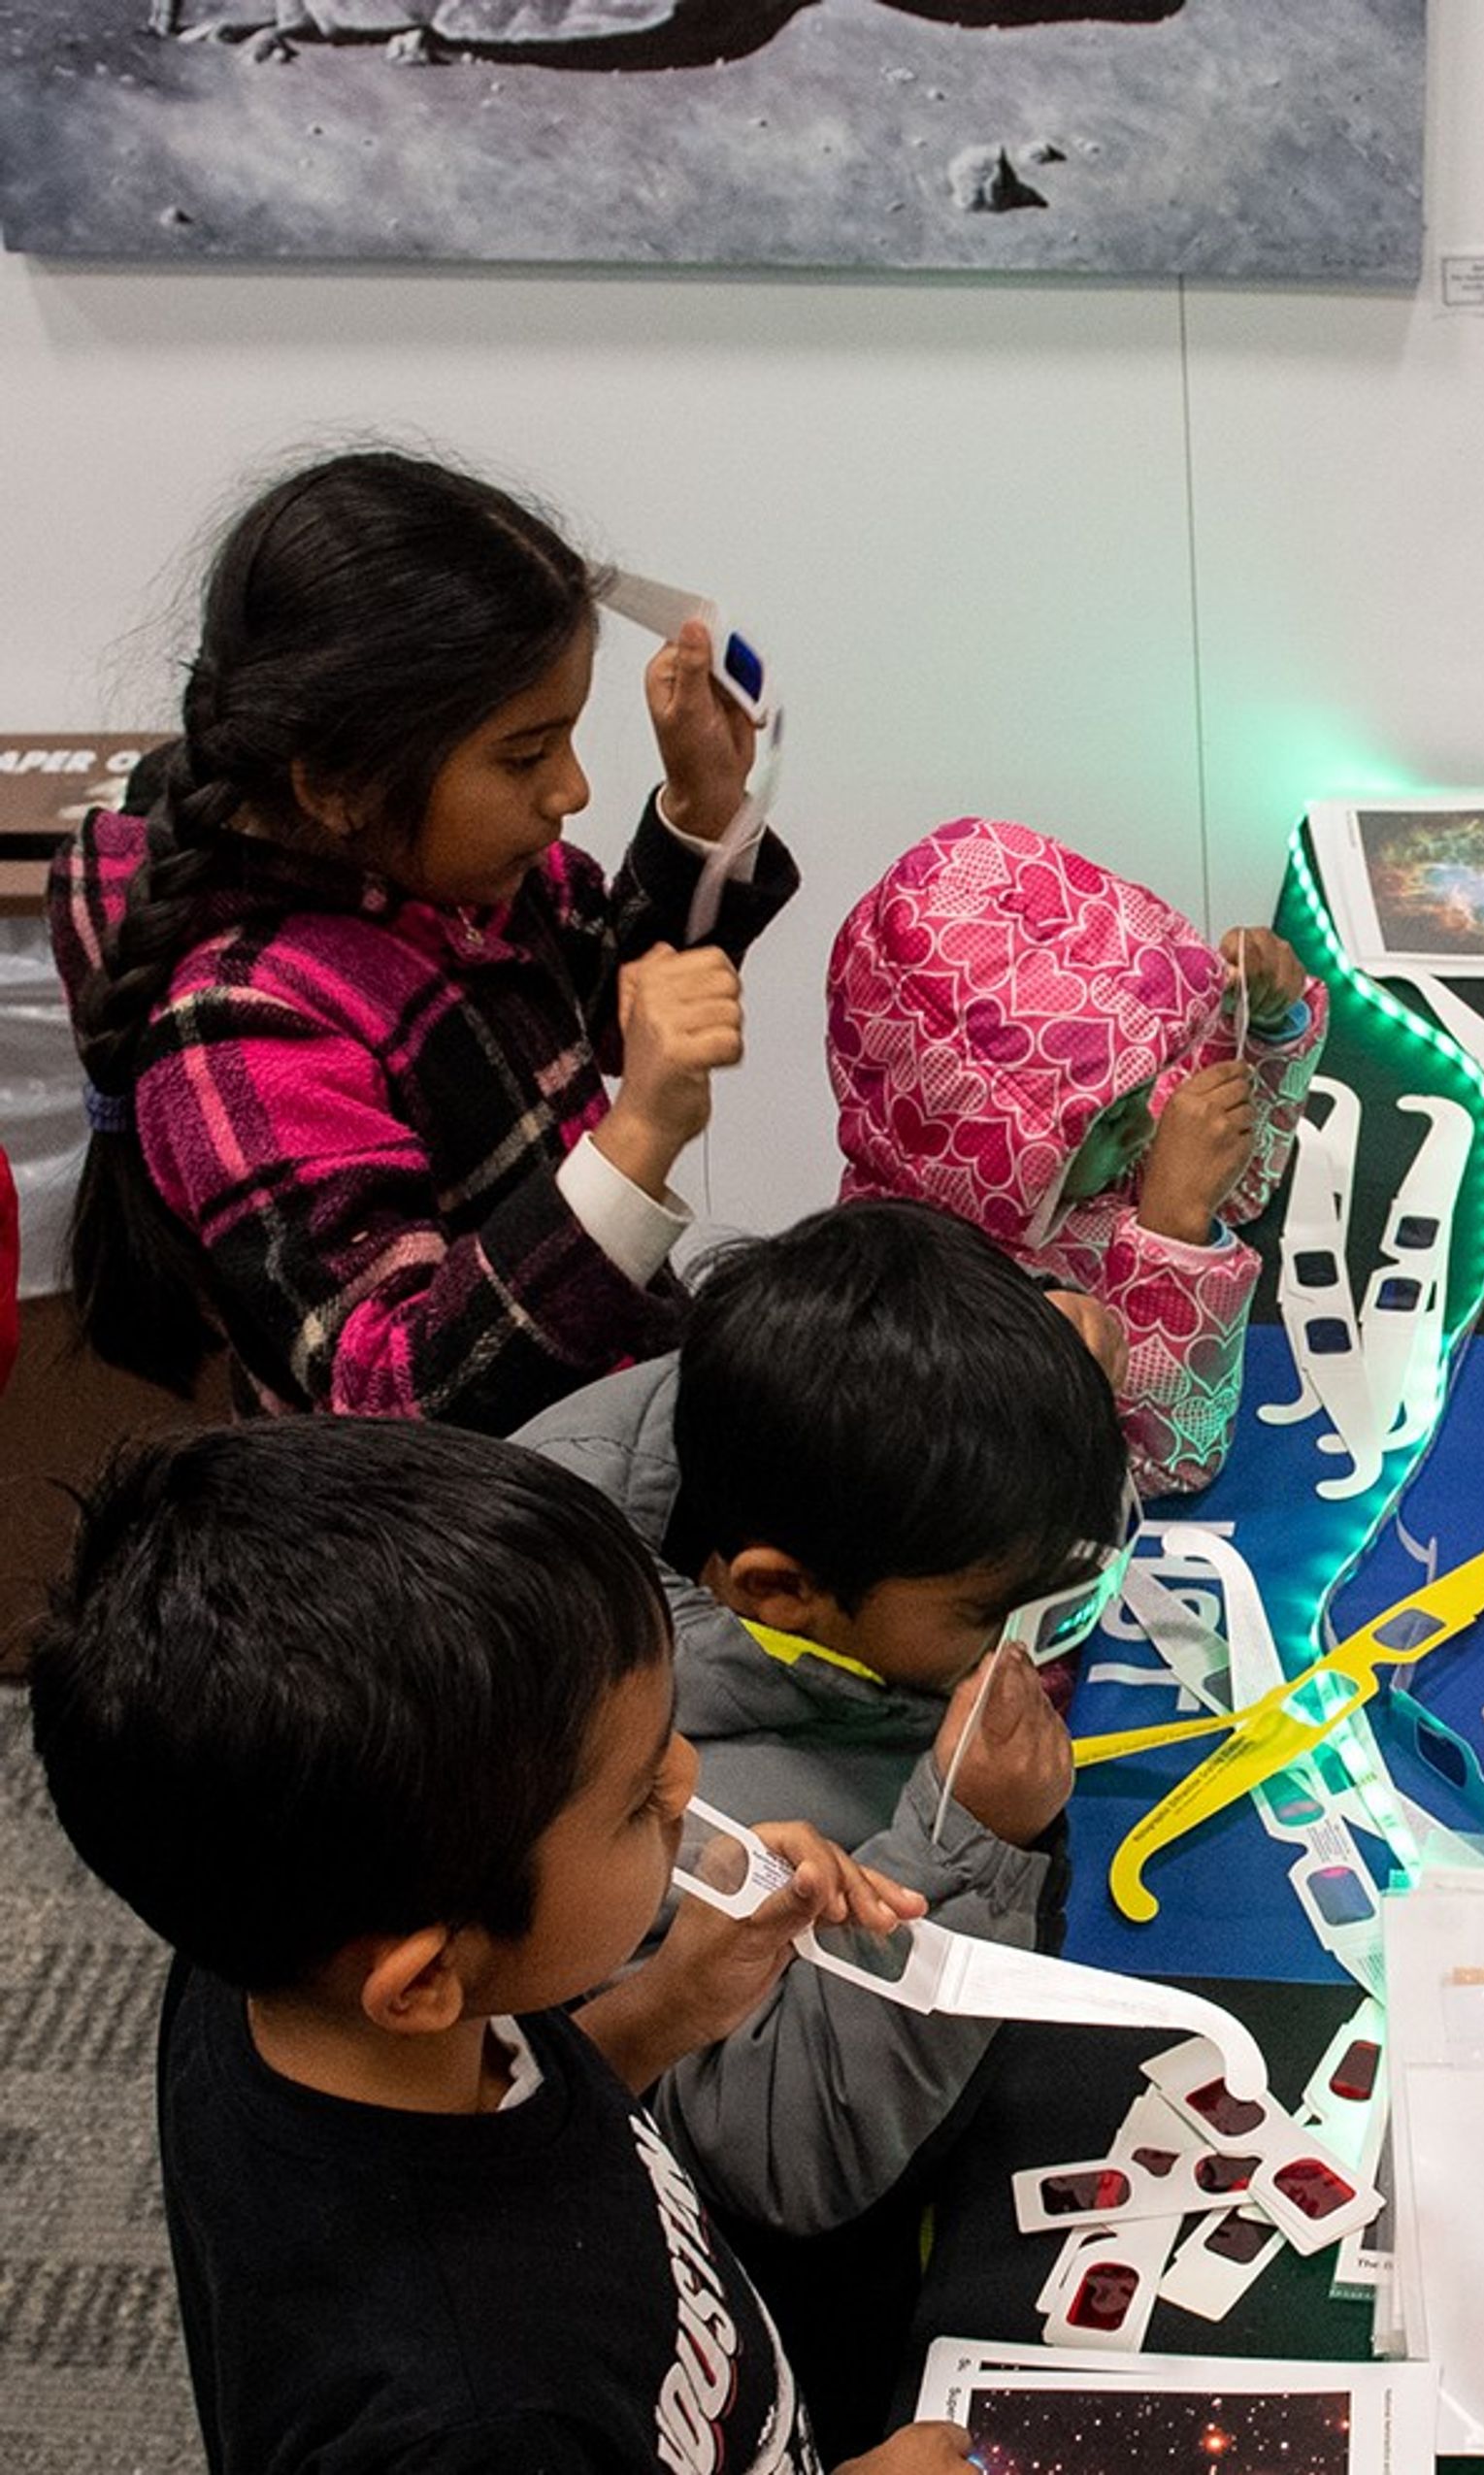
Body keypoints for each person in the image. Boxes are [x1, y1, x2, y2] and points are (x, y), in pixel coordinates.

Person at [21, 1414, 972, 2474]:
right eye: (631, 1801)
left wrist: (668, 2005)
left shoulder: (276, 1941)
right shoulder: (469, 2421)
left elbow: (519, 2141)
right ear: (424, 1976)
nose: (688, 1783)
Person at [52, 446, 794, 1430]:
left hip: (599, 1429)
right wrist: (639, 1138)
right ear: (338, 783)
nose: (572, 790)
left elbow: (614, 1002)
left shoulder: (454, 875)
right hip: (451, 1552)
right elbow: (392, 1393)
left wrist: (702, 806)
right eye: (526, 752)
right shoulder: (237, 1028)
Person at [512, 1196, 1130, 2237]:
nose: (1030, 1637)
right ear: (780, 1594)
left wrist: (1036, 1383)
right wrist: (968, 1844)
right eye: (996, 1613)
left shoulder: (802, 1417)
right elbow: (772, 2153)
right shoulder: (613, 1784)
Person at [825, 816, 1324, 1496]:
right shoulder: (928, 1315)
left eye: (1150, 1085)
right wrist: (1175, 1225)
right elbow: (1155, 1464)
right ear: (994, 1141)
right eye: (1119, 1111)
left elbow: (1236, 1184)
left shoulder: (1073, 1131)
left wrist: (1262, 1031)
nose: (1147, 1124)